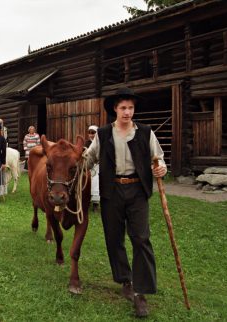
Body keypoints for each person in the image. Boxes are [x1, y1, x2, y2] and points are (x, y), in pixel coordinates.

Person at [84, 87, 167, 318]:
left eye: (131, 108)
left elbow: (158, 159)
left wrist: (161, 168)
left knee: (141, 238)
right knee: (114, 238)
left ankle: (141, 293)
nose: (127, 112)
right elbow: (88, 159)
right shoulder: (103, 134)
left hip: (138, 190)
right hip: (112, 191)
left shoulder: (145, 132)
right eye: (123, 108)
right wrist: (75, 170)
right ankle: (125, 280)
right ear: (115, 109)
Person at [85, 125, 100, 211]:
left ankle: (96, 204)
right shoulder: (86, 143)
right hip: (88, 166)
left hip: (98, 166)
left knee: (96, 184)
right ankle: (87, 202)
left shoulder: (101, 142)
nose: (91, 135)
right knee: (88, 183)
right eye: (89, 133)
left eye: (93, 133)